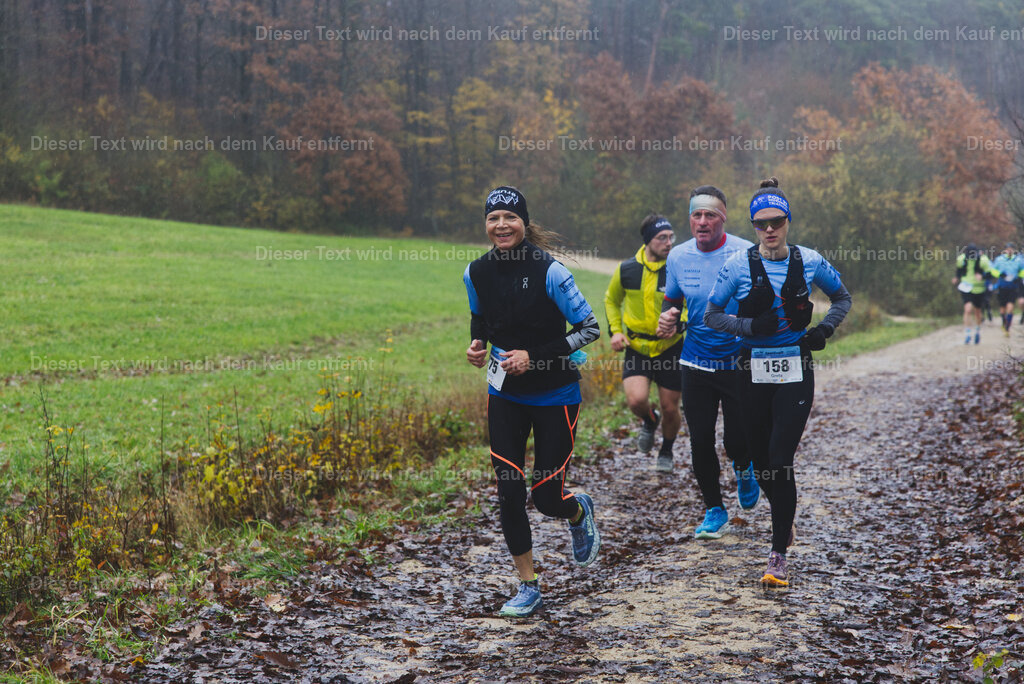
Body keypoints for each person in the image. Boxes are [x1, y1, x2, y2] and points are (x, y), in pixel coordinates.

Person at [704, 177, 852, 587]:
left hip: (795, 370)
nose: (769, 230)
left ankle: (777, 556)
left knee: (779, 458)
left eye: (777, 221)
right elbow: (712, 316)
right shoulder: (736, 266)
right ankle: (783, 519)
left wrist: (824, 330)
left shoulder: (811, 262)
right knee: (762, 461)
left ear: (788, 221)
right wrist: (748, 325)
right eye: (761, 224)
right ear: (753, 226)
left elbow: (843, 299)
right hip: (751, 368)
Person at [464, 185, 601, 618]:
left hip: (555, 393)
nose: (501, 225)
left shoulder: (550, 271)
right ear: (485, 225)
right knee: (508, 488)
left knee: (545, 497)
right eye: (493, 218)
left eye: (510, 217)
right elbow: (480, 317)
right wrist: (477, 343)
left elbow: (590, 328)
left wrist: (534, 356)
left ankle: (576, 511)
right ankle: (528, 585)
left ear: (524, 223)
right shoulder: (476, 272)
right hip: (504, 392)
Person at [656, 186, 759, 539]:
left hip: (737, 362)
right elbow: (670, 302)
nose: (702, 222)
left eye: (710, 214)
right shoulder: (678, 257)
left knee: (736, 439)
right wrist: (667, 319)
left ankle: (744, 468)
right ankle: (714, 509)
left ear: (723, 218)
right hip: (695, 362)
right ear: (690, 219)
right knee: (700, 439)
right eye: (696, 215)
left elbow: (761, 306)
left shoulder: (747, 252)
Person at [604, 214, 684, 471]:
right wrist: (615, 331)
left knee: (671, 408)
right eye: (662, 238)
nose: (669, 242)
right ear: (648, 241)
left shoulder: (678, 268)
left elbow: (693, 303)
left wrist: (678, 325)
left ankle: (667, 451)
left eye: (671, 237)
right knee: (637, 401)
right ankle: (650, 421)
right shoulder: (627, 270)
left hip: (670, 349)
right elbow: (611, 301)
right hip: (637, 348)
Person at [952, 244, 999, 344]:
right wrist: (956, 277)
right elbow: (959, 270)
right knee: (968, 309)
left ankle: (977, 331)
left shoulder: (983, 260)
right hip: (966, 287)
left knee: (977, 311)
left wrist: (982, 276)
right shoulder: (961, 259)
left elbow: (992, 274)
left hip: (979, 288)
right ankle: (968, 334)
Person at [991, 242, 1024, 337]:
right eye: (1008, 249)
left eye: (1011, 249)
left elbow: (1023, 270)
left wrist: (1019, 276)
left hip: (1013, 286)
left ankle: (1007, 327)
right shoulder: (999, 259)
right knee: (1002, 308)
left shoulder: (1018, 260)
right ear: (1005, 250)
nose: (1010, 250)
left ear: (1014, 250)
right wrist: (1000, 274)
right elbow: (993, 270)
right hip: (1002, 286)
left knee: (1010, 307)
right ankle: (1003, 321)